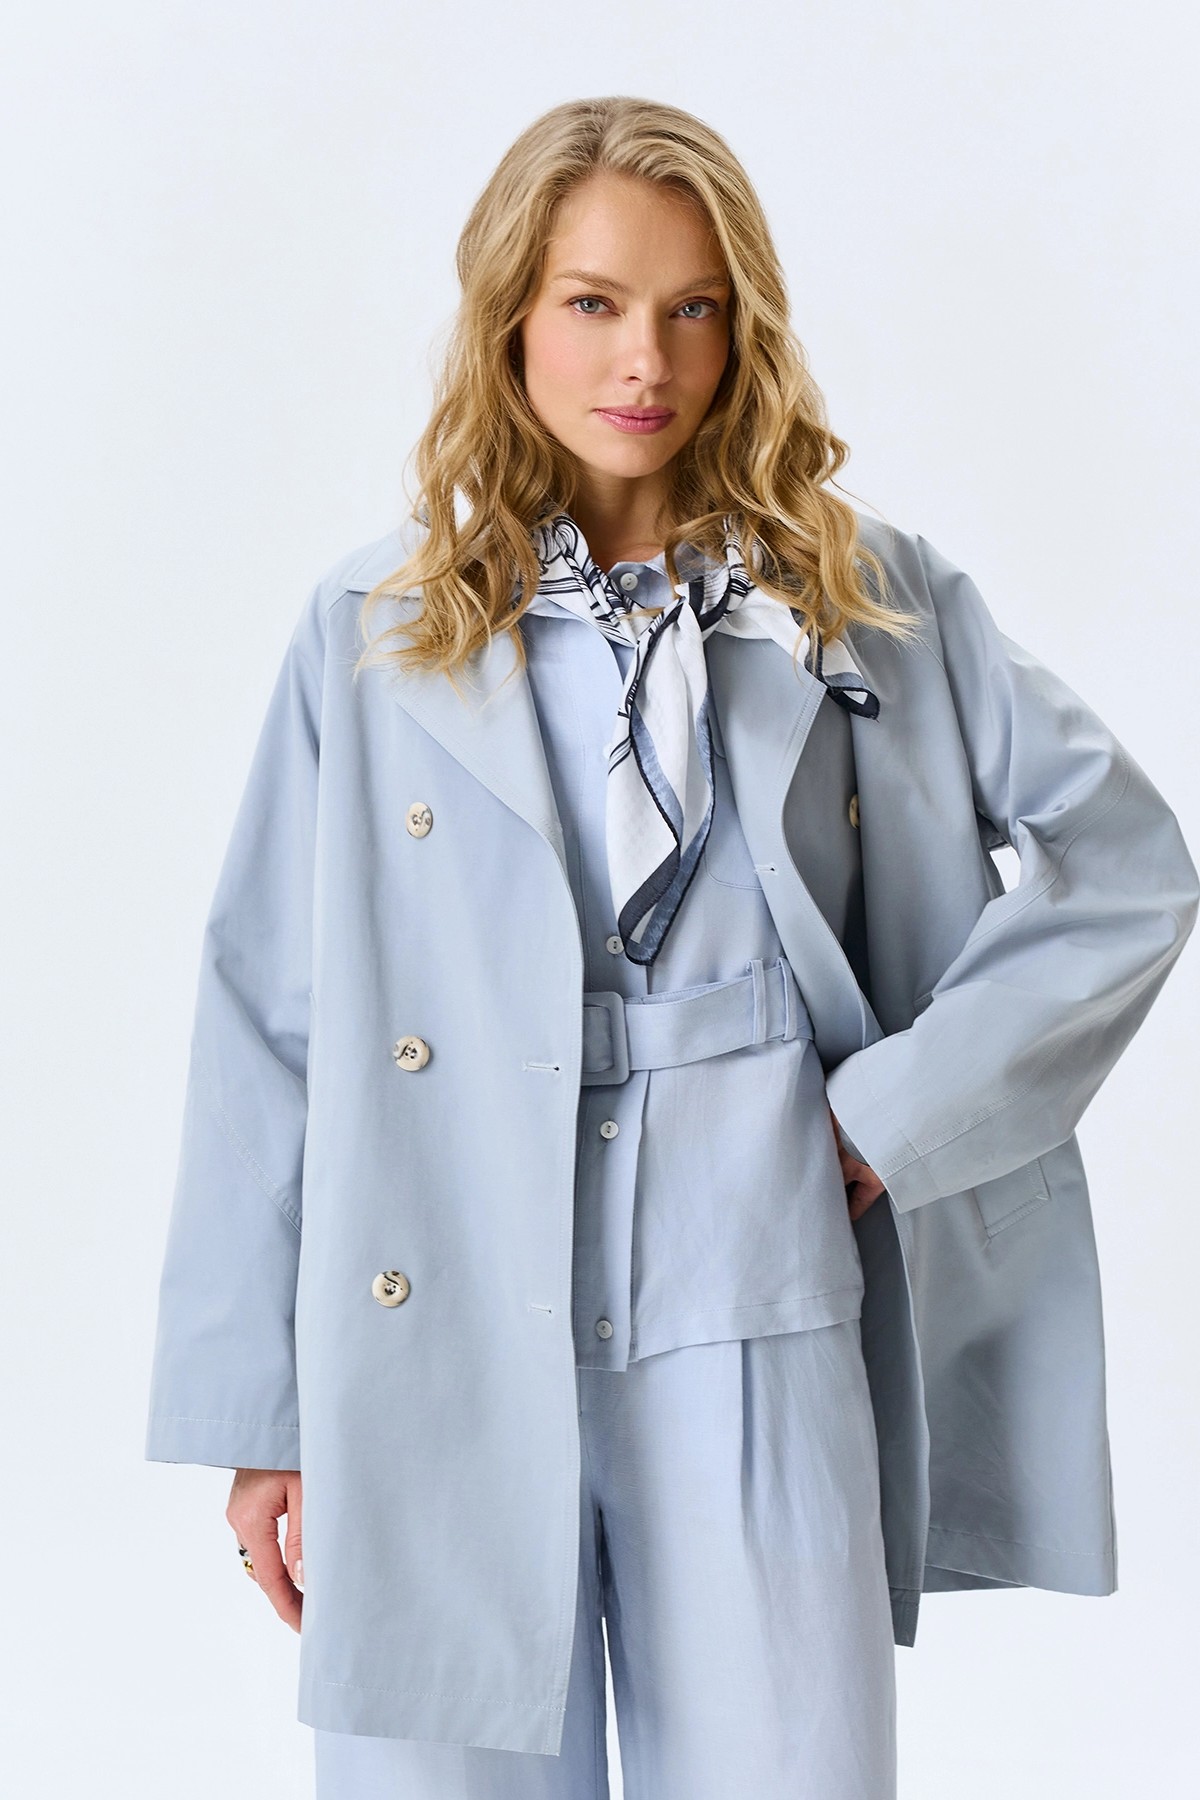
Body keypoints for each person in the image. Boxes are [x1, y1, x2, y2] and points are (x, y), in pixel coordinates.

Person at [144, 96, 1199, 1799]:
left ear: (743, 324)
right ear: (510, 316)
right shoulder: (372, 631)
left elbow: (1127, 865)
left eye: (693, 307)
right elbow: (269, 1017)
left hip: (756, 1274)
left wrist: (899, 1113)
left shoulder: (864, 599)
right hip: (443, 1287)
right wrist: (259, 1415)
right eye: (594, 302)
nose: (647, 358)